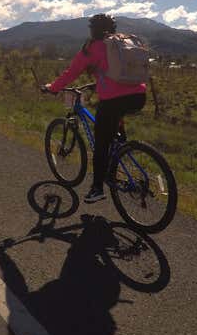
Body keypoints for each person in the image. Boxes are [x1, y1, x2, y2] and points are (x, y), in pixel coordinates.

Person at [44, 14, 146, 203]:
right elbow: (115, 73)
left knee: (101, 145)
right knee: (114, 125)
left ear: (93, 30)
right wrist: (98, 83)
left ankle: (97, 188)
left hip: (113, 100)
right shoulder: (122, 42)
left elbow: (72, 72)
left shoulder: (92, 47)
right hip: (139, 96)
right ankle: (120, 148)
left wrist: (53, 87)